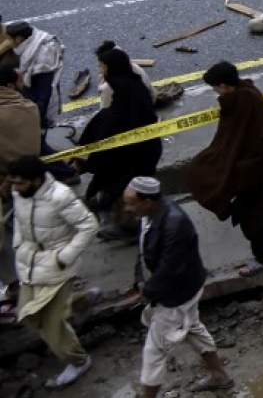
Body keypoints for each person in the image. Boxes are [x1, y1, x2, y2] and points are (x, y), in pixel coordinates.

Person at [184, 62, 263, 277]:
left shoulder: (247, 100)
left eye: (215, 88)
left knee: (251, 212)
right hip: (251, 167)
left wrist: (246, 166)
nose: (216, 93)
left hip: (251, 168)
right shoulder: (242, 95)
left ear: (224, 85)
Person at [123, 177, 234, 396]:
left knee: (154, 351)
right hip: (181, 288)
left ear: (147, 202)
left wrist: (148, 291)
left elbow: (170, 269)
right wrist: (140, 281)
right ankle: (219, 374)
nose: (127, 209)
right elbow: (143, 250)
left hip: (177, 294)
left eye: (130, 203)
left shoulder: (174, 224)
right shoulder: (150, 216)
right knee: (193, 328)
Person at [7, 155, 99, 389]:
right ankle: (82, 301)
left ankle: (78, 360)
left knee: (51, 326)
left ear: (37, 181)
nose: (14, 188)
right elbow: (19, 217)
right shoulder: (20, 193)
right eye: (13, 182)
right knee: (28, 315)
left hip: (57, 266)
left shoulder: (61, 196)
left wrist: (65, 256)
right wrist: (19, 242)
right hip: (29, 262)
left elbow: (89, 225)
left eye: (20, 183)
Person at [73, 46, 161, 241]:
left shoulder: (118, 91)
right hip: (138, 151)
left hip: (132, 155)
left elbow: (115, 125)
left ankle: (130, 229)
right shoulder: (132, 86)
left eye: (102, 66)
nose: (100, 70)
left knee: (120, 191)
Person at [0, 64, 40, 319]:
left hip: (5, 187)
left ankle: (17, 284)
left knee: (9, 237)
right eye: (20, 77)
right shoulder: (29, 108)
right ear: (11, 85)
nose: (24, 80)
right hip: (29, 182)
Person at [6, 21, 63, 145]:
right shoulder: (30, 42)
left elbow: (44, 93)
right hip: (29, 95)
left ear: (19, 39)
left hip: (37, 103)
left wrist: (36, 119)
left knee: (37, 141)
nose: (8, 43)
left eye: (10, 39)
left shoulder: (43, 56)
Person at [95, 40, 157, 108]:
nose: (99, 68)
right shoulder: (134, 67)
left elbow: (104, 111)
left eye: (101, 65)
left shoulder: (109, 87)